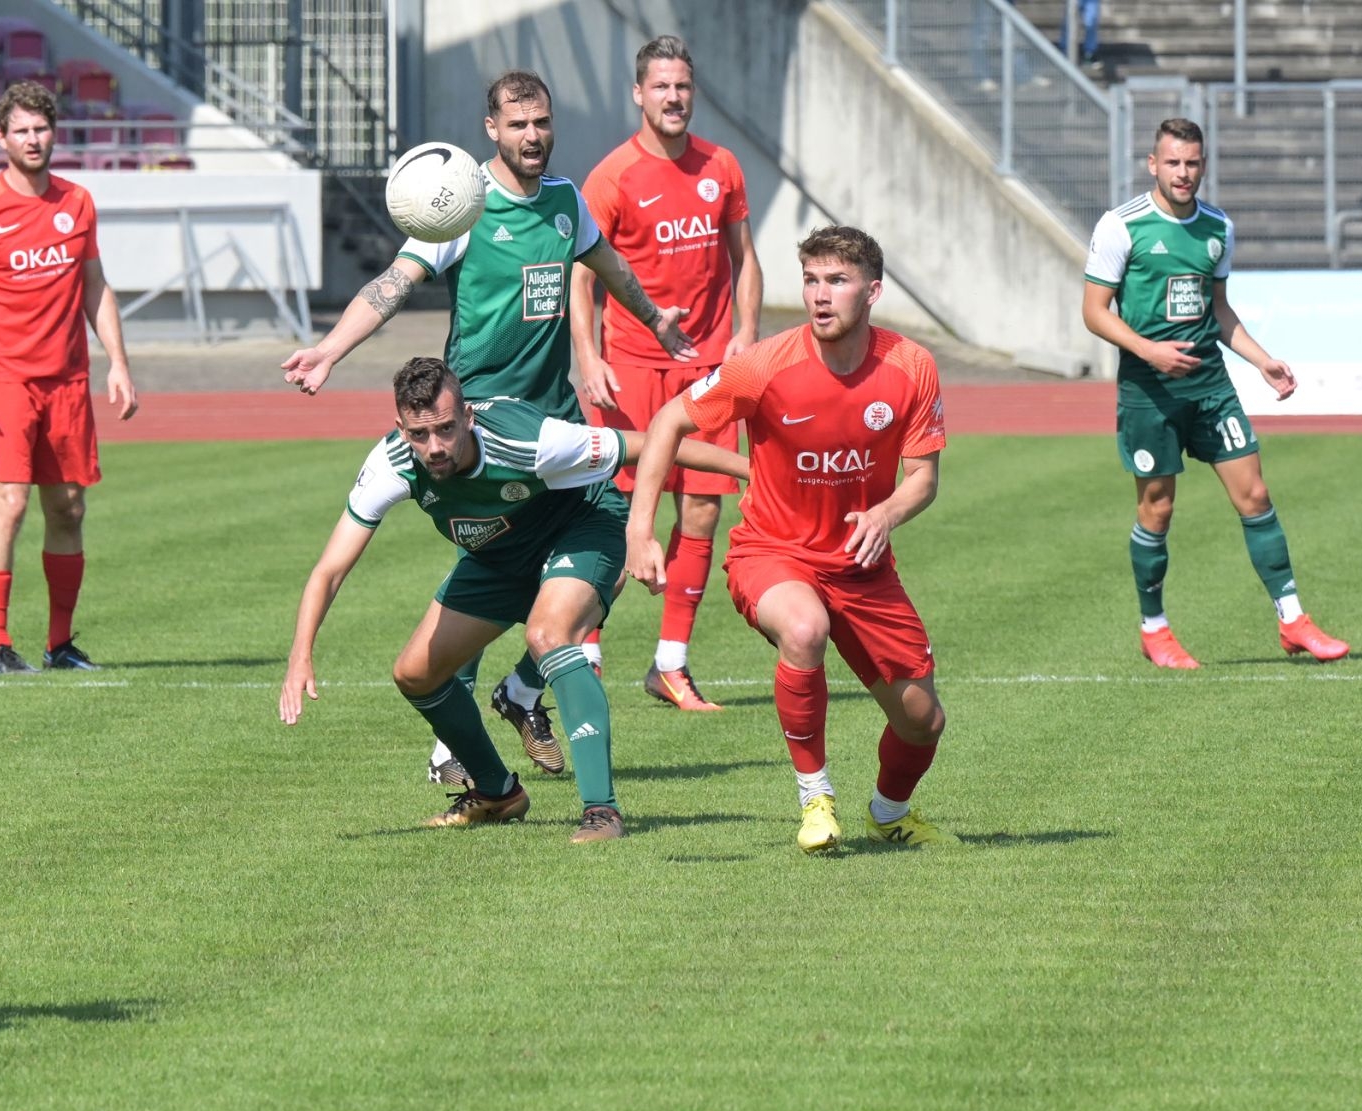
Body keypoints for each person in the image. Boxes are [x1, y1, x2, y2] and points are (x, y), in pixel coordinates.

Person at [282, 69, 696, 787]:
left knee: (608, 556)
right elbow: (392, 284)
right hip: (475, 432)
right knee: (489, 569)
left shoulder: (566, 201)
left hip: (552, 423)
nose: (532, 135)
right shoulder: (460, 204)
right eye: (518, 124)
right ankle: (452, 745)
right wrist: (329, 349)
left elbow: (609, 267)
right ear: (491, 130)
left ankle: (523, 692)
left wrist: (655, 318)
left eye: (542, 122)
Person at [280, 357, 748, 843]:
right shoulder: (391, 463)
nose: (434, 447)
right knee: (415, 674)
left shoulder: (531, 440)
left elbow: (655, 443)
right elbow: (330, 569)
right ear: (401, 429)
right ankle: (497, 793)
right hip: (499, 554)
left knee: (548, 634)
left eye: (445, 429)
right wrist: (300, 654)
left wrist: (755, 472)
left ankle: (601, 811)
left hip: (581, 527)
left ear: (468, 417)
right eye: (419, 435)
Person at [628, 226, 954, 855]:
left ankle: (888, 814)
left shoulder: (911, 366)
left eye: (837, 281)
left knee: (922, 721)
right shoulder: (763, 365)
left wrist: (885, 514)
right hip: (770, 552)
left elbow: (924, 478)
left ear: (872, 291)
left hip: (861, 566)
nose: (820, 295)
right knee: (805, 630)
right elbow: (667, 422)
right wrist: (639, 529)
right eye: (810, 280)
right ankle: (816, 798)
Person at [1081, 117, 1347, 668]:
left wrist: (1262, 360)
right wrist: (1150, 351)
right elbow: (1094, 312)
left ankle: (1293, 620)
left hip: (1211, 388)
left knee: (1256, 496)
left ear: (1203, 165)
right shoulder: (1121, 226)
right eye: (1172, 162)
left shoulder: (1218, 227)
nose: (1183, 173)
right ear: (1153, 165)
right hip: (1149, 392)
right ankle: (1154, 630)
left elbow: (1219, 310)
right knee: (1158, 510)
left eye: (1192, 163)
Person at [0, 79, 138, 677]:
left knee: (68, 508)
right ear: (1, 138)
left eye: (41, 128)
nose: (33, 139)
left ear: (54, 133)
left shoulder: (77, 202)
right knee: (9, 504)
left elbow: (96, 286)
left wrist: (118, 362)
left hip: (67, 379)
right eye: (21, 130)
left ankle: (60, 645)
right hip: (2, 379)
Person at [571, 34, 763, 710]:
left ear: (693, 92)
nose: (673, 97)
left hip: (709, 366)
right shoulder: (612, 176)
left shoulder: (722, 166)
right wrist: (589, 356)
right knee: (618, 513)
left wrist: (745, 333)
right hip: (631, 365)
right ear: (638, 94)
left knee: (704, 507)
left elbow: (745, 258)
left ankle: (670, 664)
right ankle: (585, 651)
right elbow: (582, 275)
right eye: (660, 86)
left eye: (681, 86)